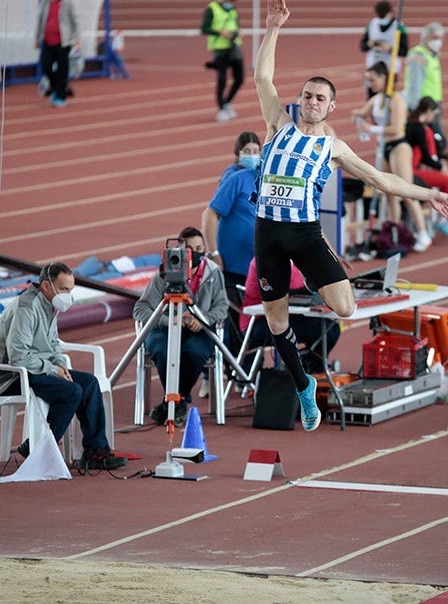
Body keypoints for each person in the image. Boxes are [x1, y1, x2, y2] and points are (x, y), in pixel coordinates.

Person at [253, 0, 448, 432]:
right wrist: (273, 28)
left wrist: (427, 194)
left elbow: (382, 180)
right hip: (268, 233)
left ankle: (314, 278)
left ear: (331, 107)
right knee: (276, 322)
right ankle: (304, 386)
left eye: (319, 98)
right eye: (307, 95)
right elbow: (262, 77)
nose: (311, 101)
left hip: (305, 234)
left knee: (345, 308)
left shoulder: (334, 147)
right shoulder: (277, 125)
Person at [0, 262, 126, 470]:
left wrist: (60, 364)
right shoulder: (27, 308)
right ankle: (41, 450)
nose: (67, 295)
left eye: (70, 290)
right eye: (63, 289)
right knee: (71, 392)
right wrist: (53, 369)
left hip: (35, 368)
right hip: (12, 375)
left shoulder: (50, 304)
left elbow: (52, 343)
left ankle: (95, 451)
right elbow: (18, 357)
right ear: (46, 285)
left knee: (89, 383)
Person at [132, 227, 229, 426]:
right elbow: (140, 309)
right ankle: (178, 402)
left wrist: (203, 320)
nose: (197, 253)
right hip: (164, 330)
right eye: (191, 249)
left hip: (199, 331)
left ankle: (174, 402)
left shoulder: (213, 272)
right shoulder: (164, 274)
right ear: (179, 251)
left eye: (200, 248)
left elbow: (222, 307)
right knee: (162, 349)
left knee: (194, 352)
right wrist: (168, 320)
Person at [351, 61, 433, 252]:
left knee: (406, 192)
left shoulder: (396, 100)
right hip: (384, 148)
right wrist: (358, 119)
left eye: (372, 80)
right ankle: (395, 229)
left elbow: (396, 128)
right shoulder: (377, 99)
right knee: (388, 191)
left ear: (384, 78)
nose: (369, 84)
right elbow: (361, 113)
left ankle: (423, 233)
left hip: (398, 147)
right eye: (367, 80)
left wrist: (370, 129)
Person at [201, 132, 260, 392]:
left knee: (252, 324)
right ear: (238, 154)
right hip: (232, 267)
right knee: (227, 322)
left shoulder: (268, 179)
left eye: (256, 151)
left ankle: (244, 374)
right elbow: (209, 214)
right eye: (247, 151)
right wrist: (213, 253)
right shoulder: (234, 178)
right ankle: (210, 375)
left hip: (257, 268)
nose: (252, 155)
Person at [239, 259, 340, 375]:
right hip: (258, 323)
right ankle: (309, 368)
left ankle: (308, 366)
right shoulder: (263, 262)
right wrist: (308, 290)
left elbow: (295, 294)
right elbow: (274, 293)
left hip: (284, 316)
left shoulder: (291, 261)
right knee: (324, 331)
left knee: (332, 328)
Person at [405, 96, 448, 239]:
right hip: (411, 171)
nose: (435, 117)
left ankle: (435, 220)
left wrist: (445, 157)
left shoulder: (415, 124)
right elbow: (426, 156)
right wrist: (440, 166)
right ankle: (441, 220)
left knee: (447, 181)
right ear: (428, 111)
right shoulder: (418, 128)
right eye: (434, 114)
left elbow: (426, 154)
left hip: (412, 168)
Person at [35, 0, 80, 108]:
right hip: (47, 41)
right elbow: (40, 20)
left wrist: (77, 40)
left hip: (63, 42)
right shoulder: (45, 1)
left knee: (62, 69)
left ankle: (60, 96)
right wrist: (37, 38)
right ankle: (59, 88)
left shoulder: (68, 1)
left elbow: (75, 21)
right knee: (45, 66)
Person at [201, 0, 244, 122]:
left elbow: (236, 25)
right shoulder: (212, 8)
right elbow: (204, 28)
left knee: (239, 78)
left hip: (234, 46)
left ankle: (227, 103)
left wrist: (238, 32)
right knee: (222, 79)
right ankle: (221, 109)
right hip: (220, 48)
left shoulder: (233, 9)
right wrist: (220, 32)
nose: (231, 3)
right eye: (230, 0)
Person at [404, 22, 447, 144]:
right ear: (426, 37)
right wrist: (416, 111)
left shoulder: (431, 55)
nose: (439, 42)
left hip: (432, 106)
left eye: (441, 38)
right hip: (423, 108)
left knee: (434, 144)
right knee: (437, 143)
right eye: (435, 38)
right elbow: (413, 86)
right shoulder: (418, 57)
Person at [359, 0, 409, 98]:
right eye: (379, 16)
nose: (381, 19)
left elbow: (404, 51)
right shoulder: (372, 24)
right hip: (373, 67)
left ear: (390, 13)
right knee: (372, 98)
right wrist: (369, 44)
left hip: (390, 69)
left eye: (383, 16)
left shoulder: (399, 26)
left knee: (387, 98)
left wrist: (389, 49)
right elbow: (362, 46)